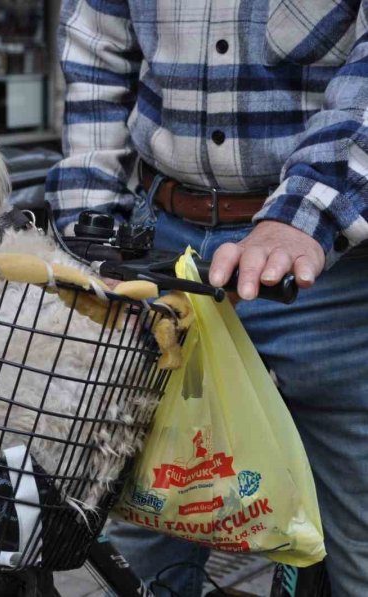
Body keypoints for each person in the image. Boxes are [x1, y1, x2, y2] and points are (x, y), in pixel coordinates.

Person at [46, 1, 368, 595]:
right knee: (147, 526)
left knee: (358, 541)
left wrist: (306, 215)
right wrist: (93, 236)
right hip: (161, 247)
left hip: (331, 265)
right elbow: (95, 54)